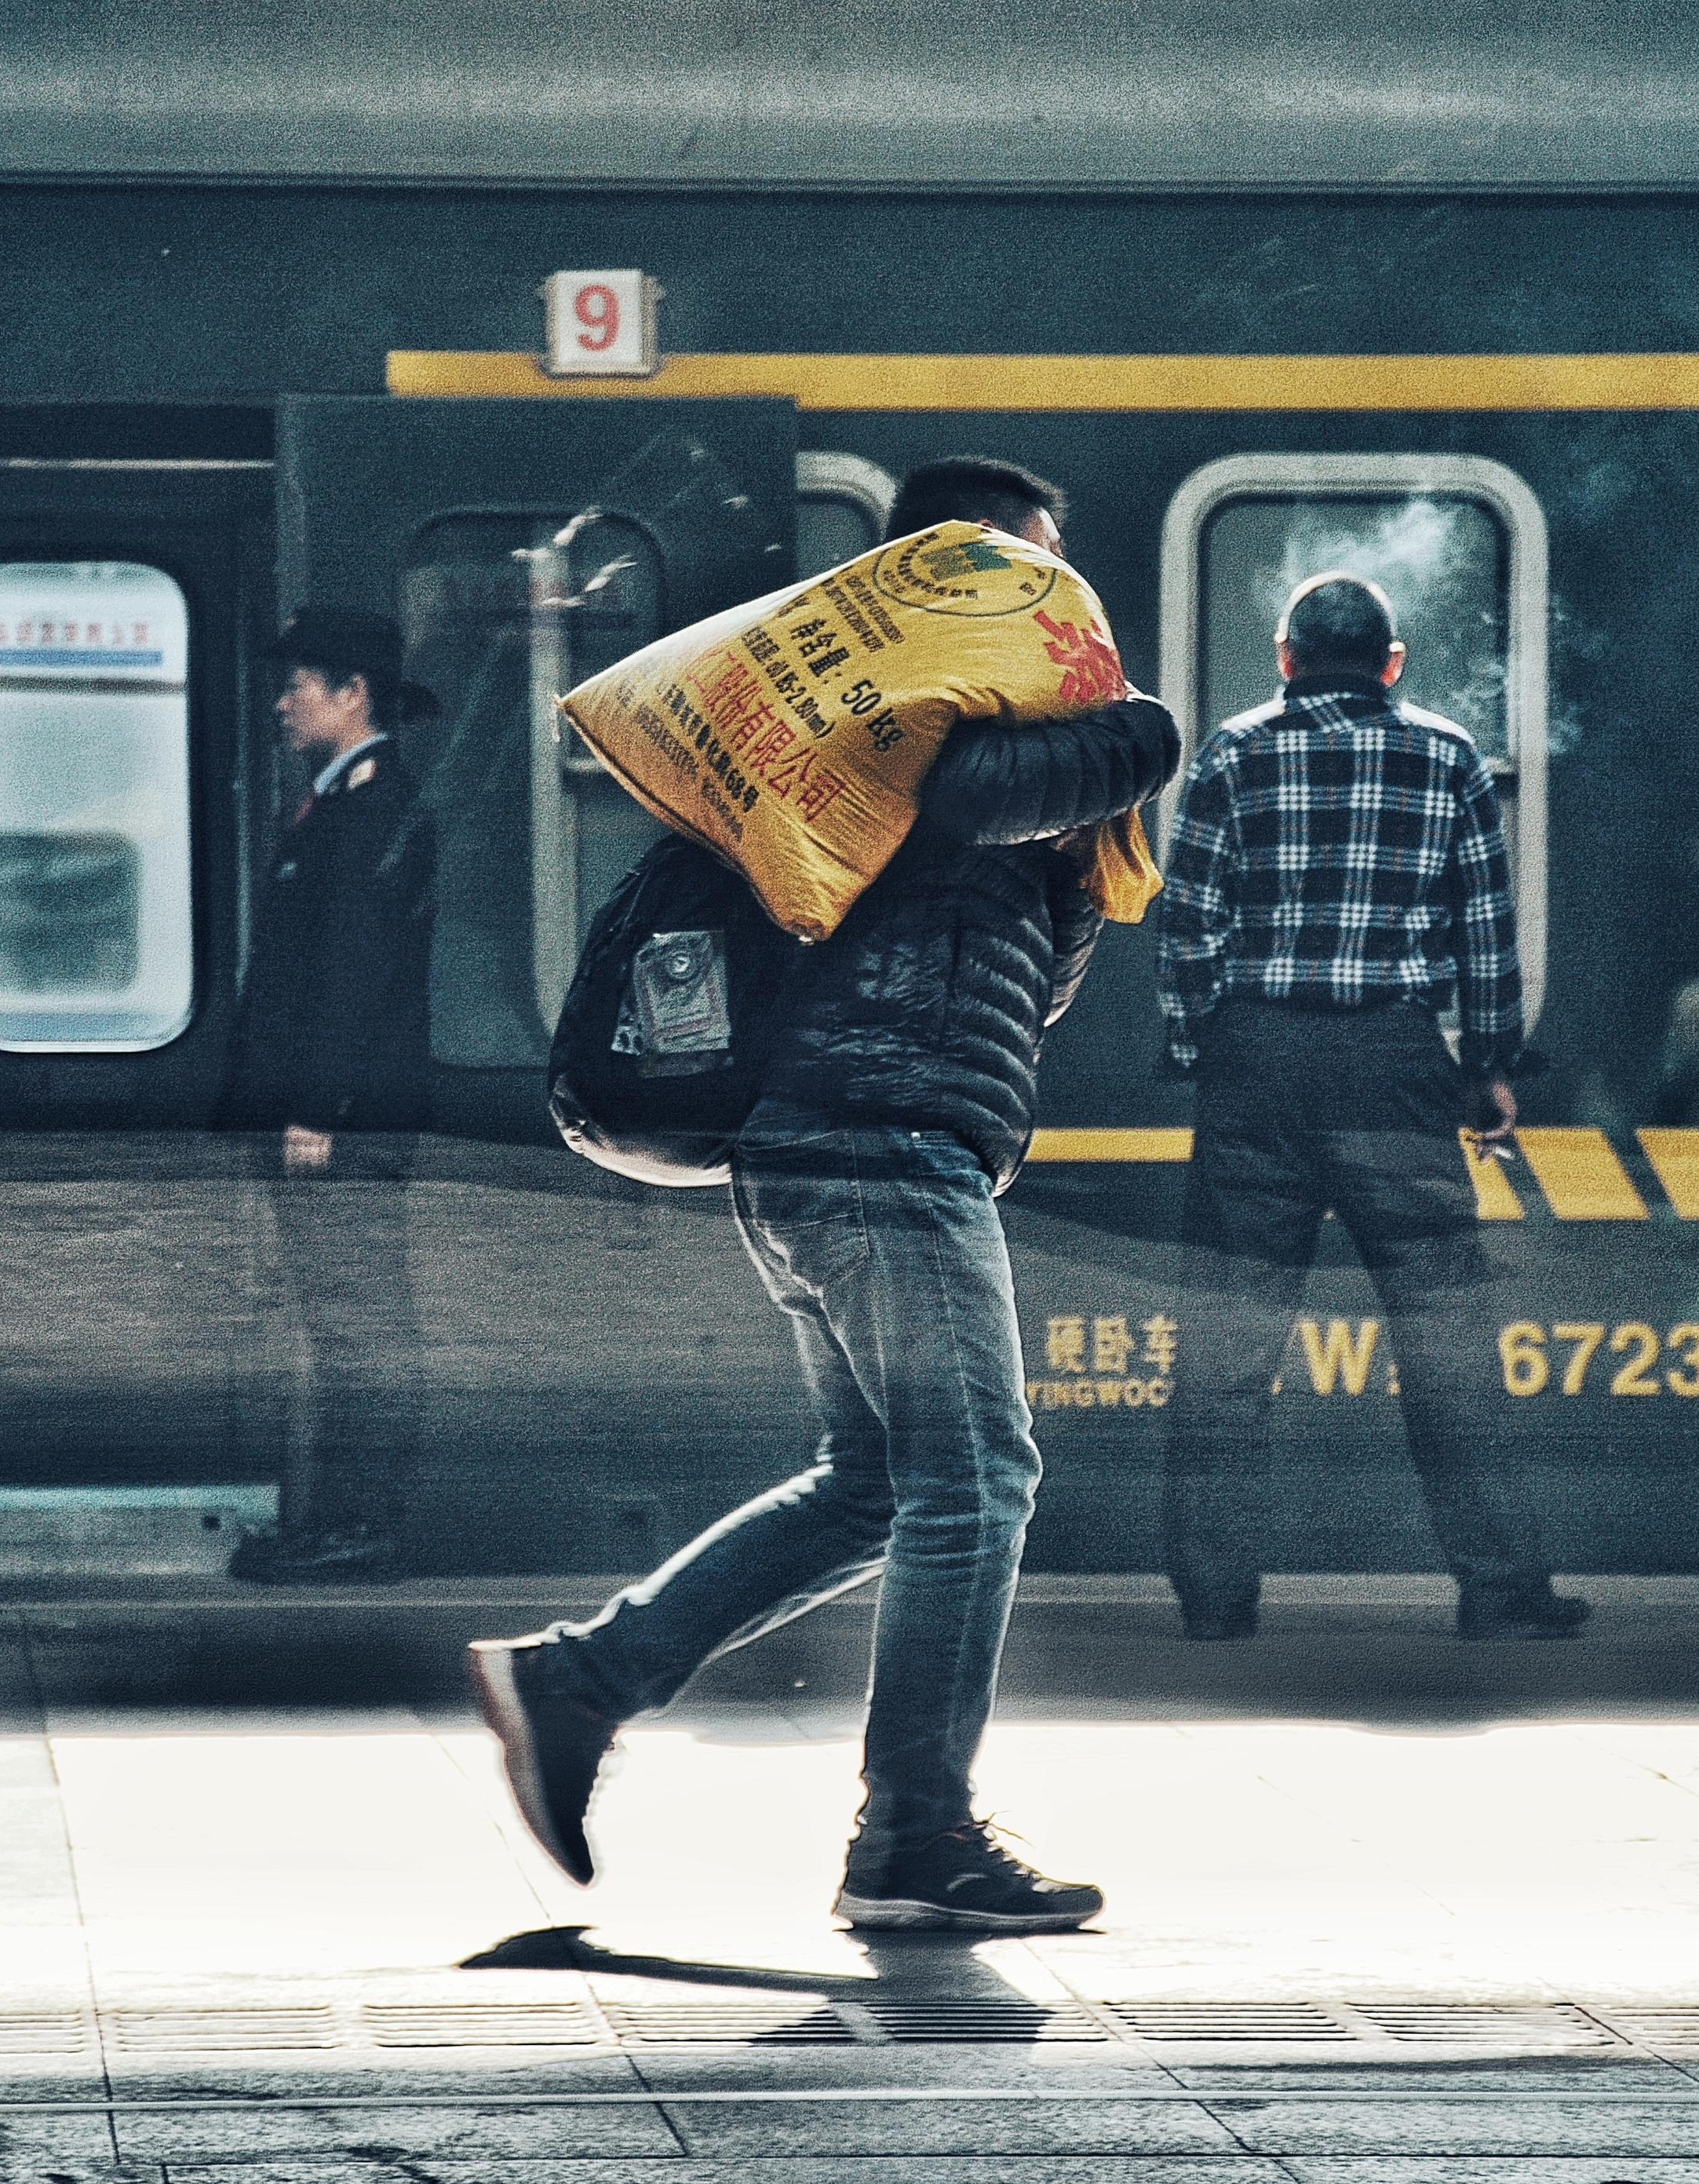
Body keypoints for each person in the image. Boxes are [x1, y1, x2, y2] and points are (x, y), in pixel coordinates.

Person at [469, 459, 1179, 1933]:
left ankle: (582, 1680)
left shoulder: (882, 753)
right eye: (1029, 582)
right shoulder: (925, 730)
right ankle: (914, 1832)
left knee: (878, 1483)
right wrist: (1143, 732)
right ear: (951, 583)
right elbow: (984, 791)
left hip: (845, 1146)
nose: (1057, 618)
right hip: (880, 1145)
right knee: (978, 1479)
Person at [1155, 571, 1584, 1644]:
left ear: (1286, 658)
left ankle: (1215, 1597)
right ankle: (1497, 1587)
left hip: (1257, 1059)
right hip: (1393, 1062)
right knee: (1446, 1343)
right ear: (1392, 663)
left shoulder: (1233, 751)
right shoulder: (1445, 755)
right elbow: (1485, 927)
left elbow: (1187, 920)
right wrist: (1487, 1062)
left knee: (1227, 1349)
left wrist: (1204, 1040)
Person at [218, 606, 439, 1584]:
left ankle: (364, 1523)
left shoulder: (373, 809)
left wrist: (314, 1108)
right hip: (334, 1115)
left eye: (300, 683)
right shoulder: (343, 803)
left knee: (358, 1324)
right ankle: (345, 1517)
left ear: (353, 695)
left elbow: (352, 974)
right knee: (340, 1318)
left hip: (342, 1123)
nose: (282, 701)